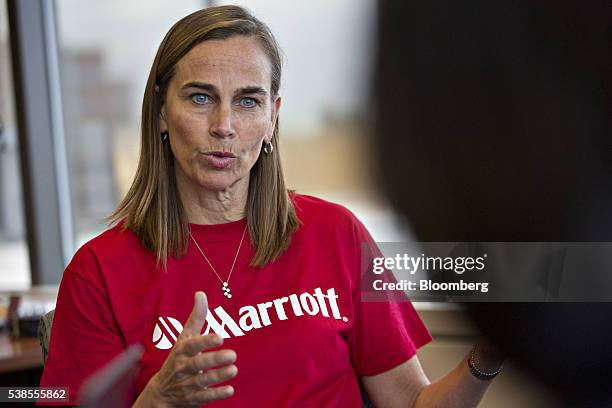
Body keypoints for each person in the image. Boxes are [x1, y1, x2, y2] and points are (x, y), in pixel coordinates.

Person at [40, 6, 502, 407]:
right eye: (201, 98)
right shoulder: (97, 271)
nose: (223, 125)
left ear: (271, 119)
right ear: (162, 112)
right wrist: (158, 401)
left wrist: (490, 354)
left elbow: (413, 403)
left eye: (247, 102)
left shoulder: (338, 233)